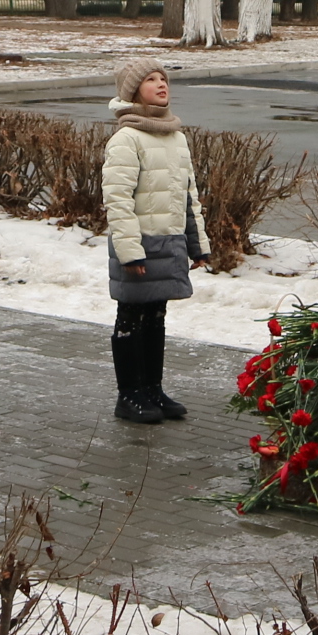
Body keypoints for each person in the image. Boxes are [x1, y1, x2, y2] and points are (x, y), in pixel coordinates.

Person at [100, 58, 205, 424]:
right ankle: (129, 395)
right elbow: (117, 199)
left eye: (163, 78)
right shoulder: (127, 138)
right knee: (131, 315)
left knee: (156, 317)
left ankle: (152, 390)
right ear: (133, 91)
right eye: (150, 79)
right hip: (139, 245)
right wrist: (130, 252)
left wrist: (196, 244)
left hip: (168, 242)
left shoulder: (176, 136)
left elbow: (188, 196)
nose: (161, 84)